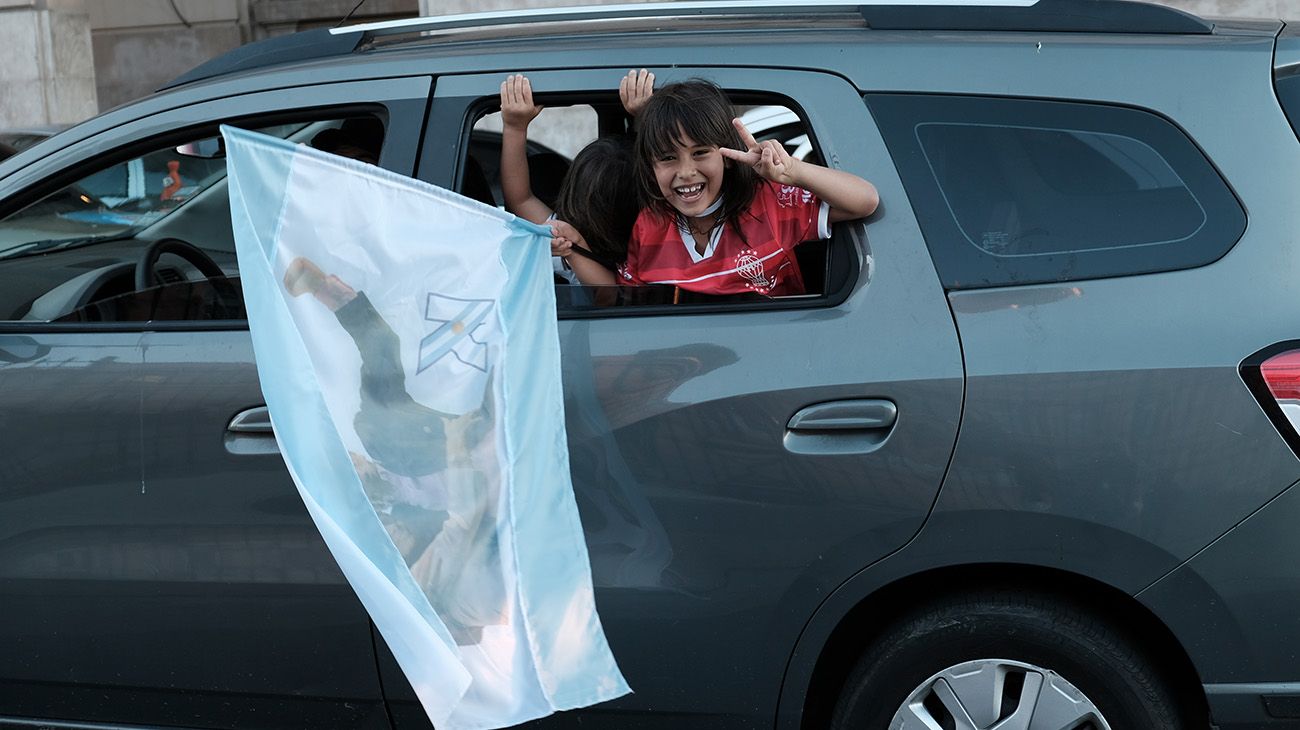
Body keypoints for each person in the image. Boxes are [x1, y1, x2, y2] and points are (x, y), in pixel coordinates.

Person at [551, 79, 879, 297]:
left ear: (726, 154)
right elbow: (618, 299)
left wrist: (792, 171)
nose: (685, 172)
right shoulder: (649, 226)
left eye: (700, 153)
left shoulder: (768, 203)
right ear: (650, 168)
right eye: (667, 159)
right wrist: (574, 246)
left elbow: (864, 201)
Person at [499, 70, 653, 281]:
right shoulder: (666, 240)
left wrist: (514, 127)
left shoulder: (566, 242)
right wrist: (649, 118)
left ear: (572, 192)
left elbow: (520, 198)